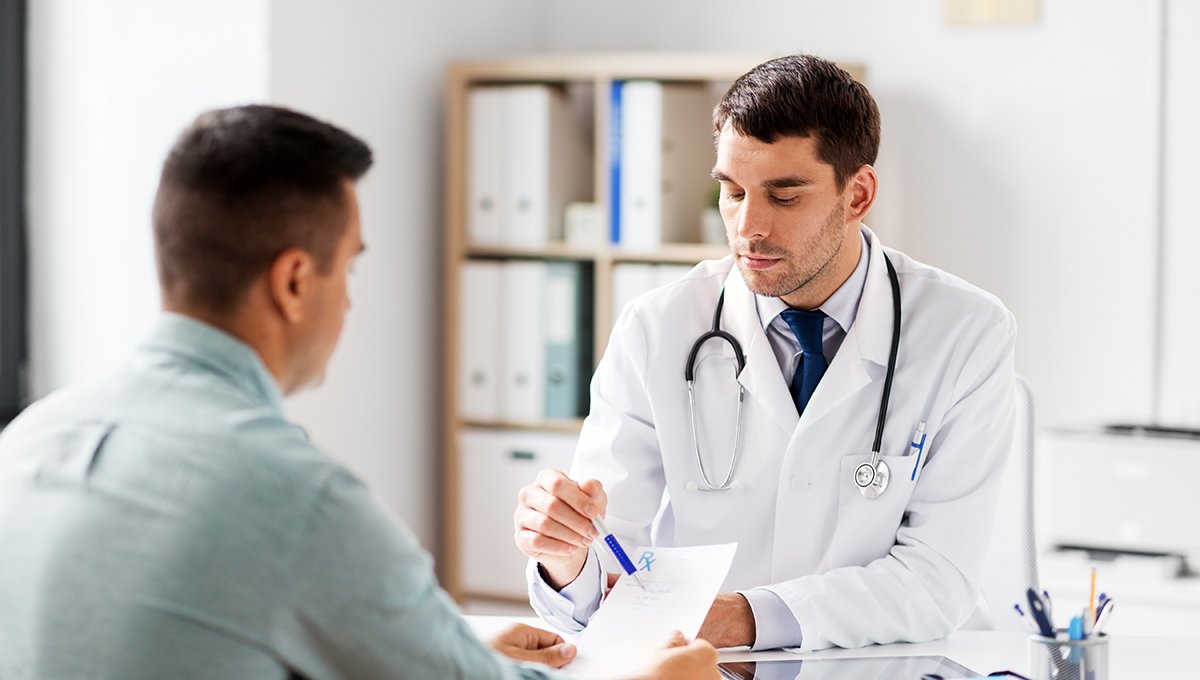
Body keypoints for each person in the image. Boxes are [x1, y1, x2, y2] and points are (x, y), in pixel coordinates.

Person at [0, 105, 718, 680]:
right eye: (347, 268)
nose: (347, 301)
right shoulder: (295, 499)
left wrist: (456, 654)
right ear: (293, 282)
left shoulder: (30, 439)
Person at [514, 54, 1018, 652]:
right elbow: (604, 562)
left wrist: (743, 617)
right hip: (707, 666)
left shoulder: (965, 331)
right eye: (731, 191)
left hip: (881, 663)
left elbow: (937, 580)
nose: (747, 226)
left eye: (783, 196)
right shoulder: (657, 328)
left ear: (858, 194)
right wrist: (566, 559)